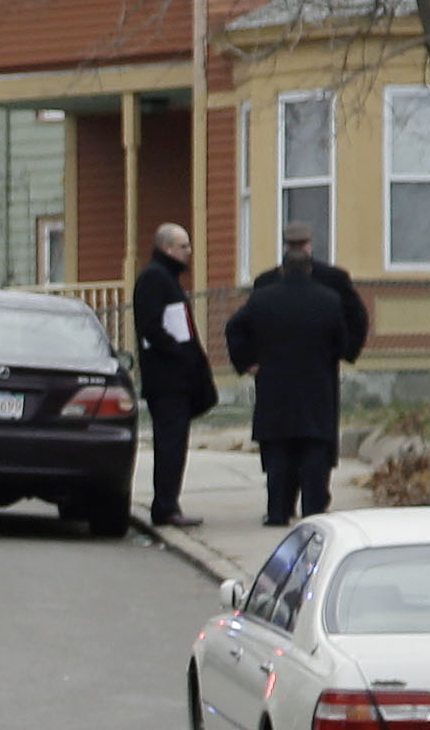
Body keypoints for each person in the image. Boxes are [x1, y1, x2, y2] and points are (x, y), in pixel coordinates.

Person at [224, 221, 363, 522]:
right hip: (317, 382)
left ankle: (277, 510)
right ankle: (314, 510)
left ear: (284, 265)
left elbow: (235, 327)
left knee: (278, 451)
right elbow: (349, 329)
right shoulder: (330, 296)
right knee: (314, 448)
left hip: (275, 383)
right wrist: (342, 354)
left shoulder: (263, 293)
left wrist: (248, 361)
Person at [130, 222, 219, 529]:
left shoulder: (167, 279)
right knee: (169, 445)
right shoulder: (155, 279)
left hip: (176, 380)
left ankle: (169, 502)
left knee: (175, 444)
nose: (189, 252)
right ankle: (165, 506)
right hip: (166, 381)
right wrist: (181, 355)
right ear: (167, 248)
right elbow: (152, 328)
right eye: (184, 246)